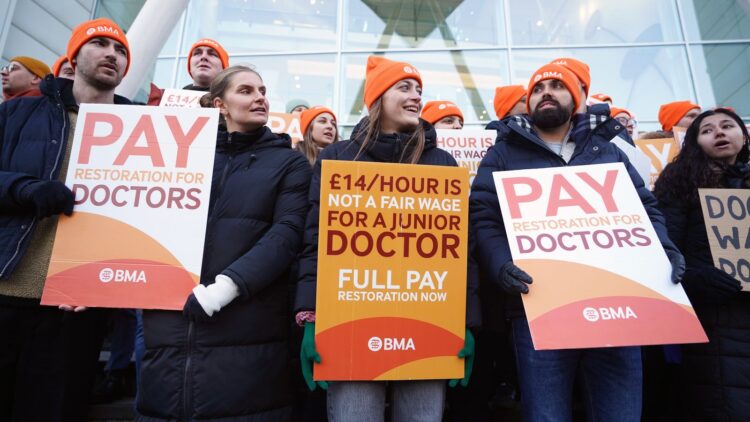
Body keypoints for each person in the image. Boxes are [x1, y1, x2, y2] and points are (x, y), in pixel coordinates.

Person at [470, 63, 685, 422]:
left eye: (557, 86)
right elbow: (484, 217)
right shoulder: (503, 155)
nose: (546, 93)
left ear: (578, 98)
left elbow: (645, 207)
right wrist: (501, 264)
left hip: (616, 306)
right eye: (538, 89)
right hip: (538, 307)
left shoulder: (607, 150)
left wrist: (663, 249)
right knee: (546, 416)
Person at [295, 56, 480, 421]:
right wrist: (311, 317)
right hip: (350, 328)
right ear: (378, 96)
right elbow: (316, 241)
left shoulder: (441, 162)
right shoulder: (339, 158)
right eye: (404, 87)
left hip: (427, 329)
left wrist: (466, 323)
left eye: (419, 90)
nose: (416, 97)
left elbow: (462, 251)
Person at [136, 65, 311, 421]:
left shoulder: (289, 163)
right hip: (169, 322)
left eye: (262, 90)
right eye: (246, 91)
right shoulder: (177, 158)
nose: (260, 97)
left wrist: (225, 288)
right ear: (220, 105)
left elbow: (287, 233)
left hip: (248, 320)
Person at [0, 18, 131, 421]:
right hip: (7, 289)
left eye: (121, 50)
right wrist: (25, 188)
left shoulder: (144, 131)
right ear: (74, 57)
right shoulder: (20, 113)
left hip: (78, 306)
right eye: (101, 44)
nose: (112, 53)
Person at [653, 107, 749, 422]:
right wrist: (697, 278)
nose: (719, 132)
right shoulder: (680, 180)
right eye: (707, 130)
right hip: (712, 316)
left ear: (744, 135)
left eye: (727, 126)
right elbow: (665, 247)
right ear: (694, 143)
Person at [147, 38, 229, 105]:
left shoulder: (232, 103)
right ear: (190, 67)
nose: (203, 57)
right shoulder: (162, 100)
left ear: (224, 69)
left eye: (212, 54)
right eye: (197, 53)